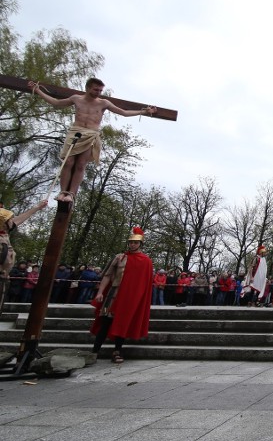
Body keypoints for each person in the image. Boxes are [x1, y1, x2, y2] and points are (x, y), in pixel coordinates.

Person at [28, 77, 157, 203]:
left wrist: (144, 112)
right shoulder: (76, 99)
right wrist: (38, 91)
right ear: (88, 88)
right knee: (68, 162)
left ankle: (71, 194)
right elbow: (56, 103)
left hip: (91, 134)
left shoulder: (103, 103)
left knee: (80, 165)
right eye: (96, 90)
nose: (98, 93)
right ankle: (63, 192)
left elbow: (123, 112)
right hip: (76, 132)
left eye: (100, 91)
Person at [90, 227, 154, 363]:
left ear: (140, 244)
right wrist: (100, 292)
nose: (132, 245)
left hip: (130, 299)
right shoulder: (120, 257)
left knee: (123, 323)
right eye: (130, 242)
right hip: (113, 295)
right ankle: (94, 352)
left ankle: (117, 351)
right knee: (105, 323)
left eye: (135, 243)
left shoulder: (147, 261)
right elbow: (107, 276)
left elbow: (144, 285)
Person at [0, 199, 48, 308]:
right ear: (3, 224)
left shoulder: (4, 234)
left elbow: (17, 220)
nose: (13, 219)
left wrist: (37, 207)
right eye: (9, 219)